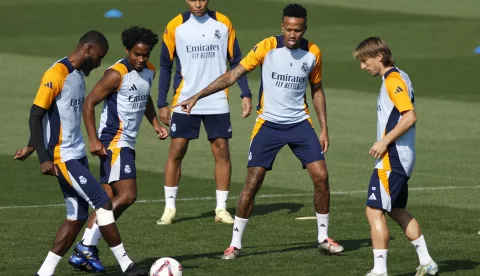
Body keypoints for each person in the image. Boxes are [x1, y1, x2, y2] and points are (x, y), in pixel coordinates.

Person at [174, 3, 344, 259]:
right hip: (268, 125)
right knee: (252, 183)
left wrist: (324, 129)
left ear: (304, 29)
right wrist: (197, 96)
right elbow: (232, 75)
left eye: (297, 30)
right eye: (288, 29)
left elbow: (317, 90)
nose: (292, 35)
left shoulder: (313, 53)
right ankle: (235, 244)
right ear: (282, 27)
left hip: (300, 124)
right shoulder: (266, 47)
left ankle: (323, 238)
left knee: (321, 177)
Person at [13, 31, 148, 276]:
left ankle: (44, 273)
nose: (98, 64)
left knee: (76, 217)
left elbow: (56, 117)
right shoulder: (56, 74)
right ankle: (127, 265)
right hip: (62, 157)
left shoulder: (77, 76)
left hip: (78, 155)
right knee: (103, 202)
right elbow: (36, 114)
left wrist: (31, 145)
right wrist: (42, 157)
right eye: (98, 57)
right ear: (87, 50)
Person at [65, 27, 168, 273]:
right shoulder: (116, 74)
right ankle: (86, 246)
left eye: (145, 55)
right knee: (128, 195)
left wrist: (155, 123)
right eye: (136, 54)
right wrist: (93, 139)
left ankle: (84, 251)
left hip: (128, 143)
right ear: (127, 51)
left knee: (106, 201)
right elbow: (89, 102)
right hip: (114, 142)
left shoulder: (149, 71)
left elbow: (145, 97)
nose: (141, 59)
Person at [156, 0, 252, 225]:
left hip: (217, 99)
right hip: (184, 99)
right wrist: (162, 102)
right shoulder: (175, 26)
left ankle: (221, 208)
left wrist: (245, 93)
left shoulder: (223, 23)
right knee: (177, 149)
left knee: (221, 150)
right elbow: (165, 65)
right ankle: (169, 208)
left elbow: (237, 61)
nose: (198, 3)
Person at [353, 37, 438, 276]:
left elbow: (409, 116)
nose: (362, 66)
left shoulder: (393, 80)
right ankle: (427, 262)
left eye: (364, 60)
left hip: (394, 158)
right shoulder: (398, 76)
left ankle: (380, 271)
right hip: (402, 157)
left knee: (374, 210)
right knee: (396, 209)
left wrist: (384, 141)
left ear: (379, 56)